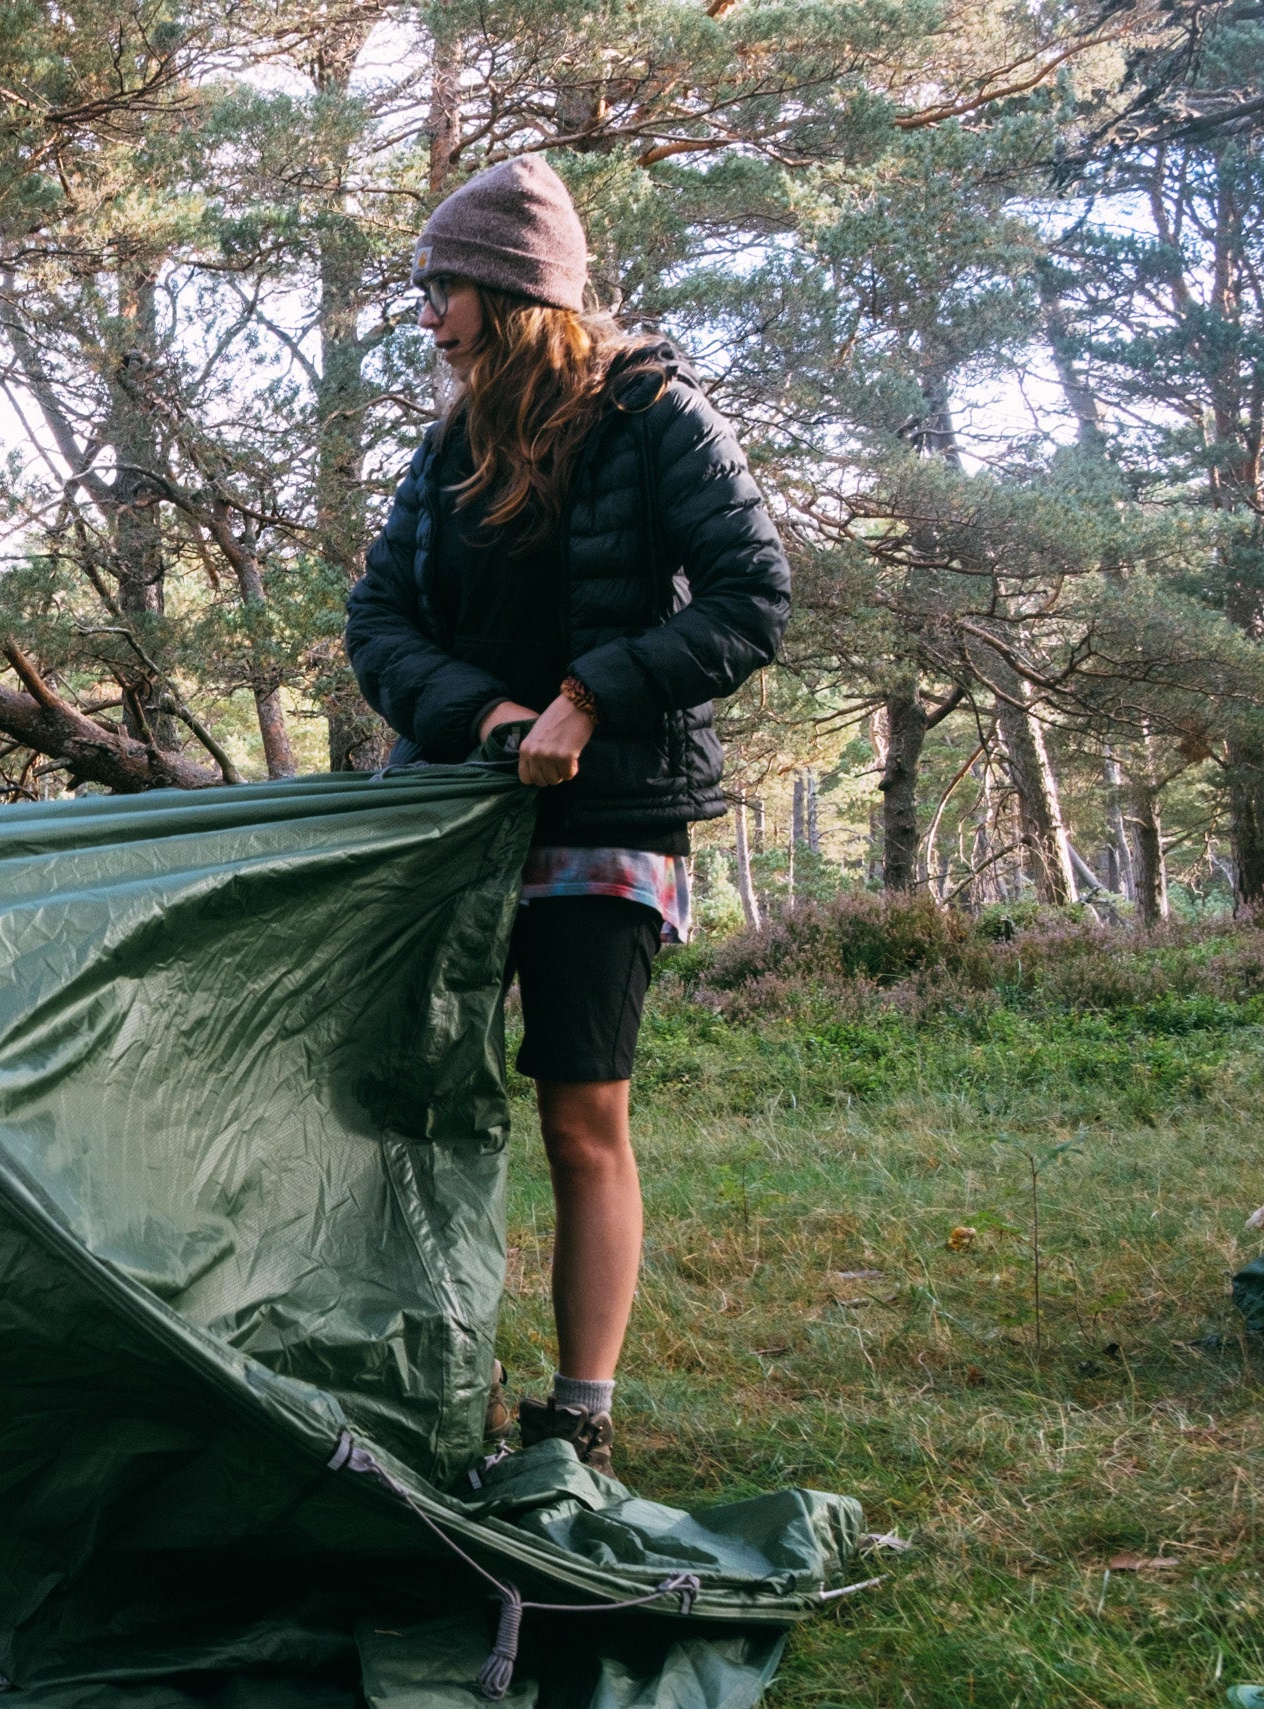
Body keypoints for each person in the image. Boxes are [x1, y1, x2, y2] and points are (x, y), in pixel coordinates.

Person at [344, 155, 790, 1475]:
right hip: (451, 825)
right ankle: (436, 1380)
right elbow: (379, 622)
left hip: (611, 823)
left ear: (514, 293)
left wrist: (589, 698)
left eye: (446, 288)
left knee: (580, 1118)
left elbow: (752, 597)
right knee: (417, 1104)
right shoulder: (447, 445)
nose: (427, 314)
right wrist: (486, 719)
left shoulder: (656, 415)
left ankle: (580, 1412)